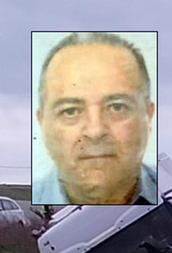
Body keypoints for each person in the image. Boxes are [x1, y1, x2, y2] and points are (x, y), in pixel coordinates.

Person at [33, 32, 157, 205]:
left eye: (117, 107)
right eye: (70, 111)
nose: (95, 131)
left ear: (148, 116)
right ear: (42, 123)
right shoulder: (32, 212)